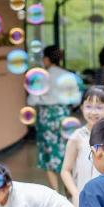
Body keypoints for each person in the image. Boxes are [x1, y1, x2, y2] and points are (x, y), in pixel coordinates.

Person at [27, 45, 81, 191]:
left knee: (49, 155)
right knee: (66, 152)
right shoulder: (68, 76)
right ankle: (70, 191)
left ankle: (56, 193)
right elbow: (76, 99)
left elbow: (32, 100)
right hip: (63, 116)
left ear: (46, 59)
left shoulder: (41, 77)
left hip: (46, 118)